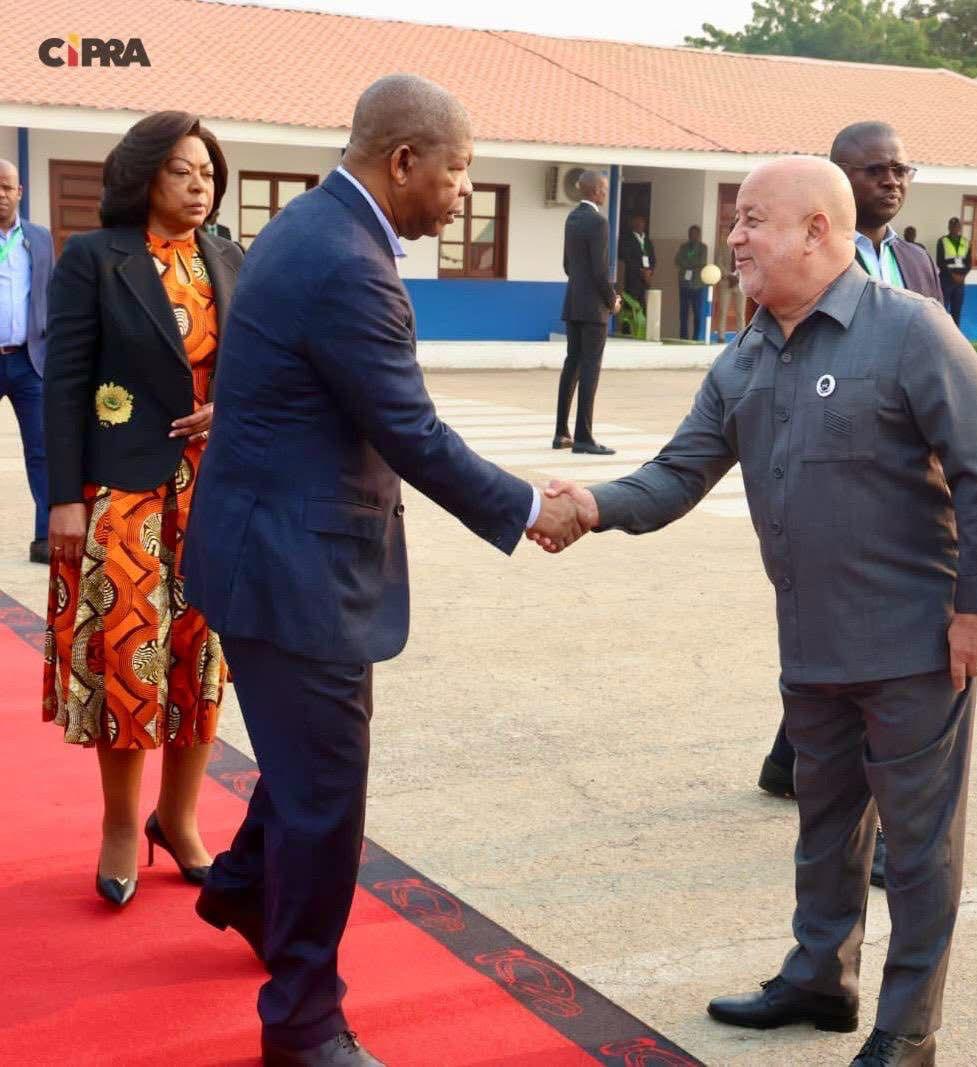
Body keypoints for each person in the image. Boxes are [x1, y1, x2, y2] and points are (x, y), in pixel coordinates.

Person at [540, 157, 977, 1067]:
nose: (735, 237)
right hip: (812, 643)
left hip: (916, 644)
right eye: (736, 220)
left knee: (915, 848)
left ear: (817, 232)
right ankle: (819, 978)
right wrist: (590, 505)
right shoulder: (747, 354)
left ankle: (908, 1028)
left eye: (754, 219)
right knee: (824, 827)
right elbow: (678, 472)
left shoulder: (911, 333)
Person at [182, 74, 581, 1067]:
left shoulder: (312, 227)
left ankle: (239, 883)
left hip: (273, 551)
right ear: (403, 160)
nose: (461, 193)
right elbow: (408, 427)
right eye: (457, 171)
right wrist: (527, 505)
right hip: (293, 570)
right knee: (327, 794)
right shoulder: (346, 260)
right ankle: (304, 1022)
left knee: (305, 762)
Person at [42, 112, 243, 908]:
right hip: (122, 492)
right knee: (129, 657)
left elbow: (257, 366)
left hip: (213, 491)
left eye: (208, 174)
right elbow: (63, 382)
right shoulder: (95, 258)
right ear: (143, 179)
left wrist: (226, 406)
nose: (200, 188)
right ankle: (122, 825)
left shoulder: (228, 256)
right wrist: (61, 498)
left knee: (199, 657)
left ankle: (180, 818)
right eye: (182, 173)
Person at [759, 120, 943, 890]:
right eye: (875, 171)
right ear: (835, 183)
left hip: (904, 484)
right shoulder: (795, 265)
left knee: (876, 655)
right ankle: (804, 770)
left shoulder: (914, 263)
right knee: (838, 649)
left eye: (901, 170)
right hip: (830, 481)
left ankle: (795, 767)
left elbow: (942, 362)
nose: (892, 183)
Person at [0, 159, 54, 564]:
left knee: (42, 451)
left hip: (29, 362)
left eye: (7, 187)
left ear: (20, 192)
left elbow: (49, 296)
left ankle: (43, 538)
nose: (1, 194)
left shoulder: (39, 238)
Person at [554, 170, 620, 456]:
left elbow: (568, 265)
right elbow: (599, 270)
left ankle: (561, 433)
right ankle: (583, 438)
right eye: (604, 188)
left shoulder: (572, 219)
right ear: (595, 191)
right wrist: (612, 300)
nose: (606, 193)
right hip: (594, 310)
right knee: (590, 369)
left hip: (573, 304)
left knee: (572, 366)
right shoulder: (599, 222)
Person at [936, 217, 971, 327]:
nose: (954, 228)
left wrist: (963, 276)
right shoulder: (942, 241)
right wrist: (953, 275)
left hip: (960, 281)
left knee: (957, 311)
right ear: (948, 227)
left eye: (956, 226)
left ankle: (955, 339)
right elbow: (940, 261)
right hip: (946, 280)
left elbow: (969, 262)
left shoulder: (966, 242)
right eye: (952, 226)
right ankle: (943, 336)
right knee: (942, 310)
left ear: (960, 228)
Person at [675, 224, 708, 340]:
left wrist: (687, 264)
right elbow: (677, 260)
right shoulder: (683, 247)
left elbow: (701, 262)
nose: (692, 236)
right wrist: (691, 264)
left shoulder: (703, 247)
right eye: (690, 234)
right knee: (683, 313)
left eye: (695, 234)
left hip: (697, 285)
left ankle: (695, 337)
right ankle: (683, 337)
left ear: (698, 235)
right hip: (684, 284)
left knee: (697, 314)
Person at [620, 214, 655, 309]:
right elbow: (628, 258)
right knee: (631, 307)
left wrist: (650, 271)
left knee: (643, 307)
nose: (640, 225)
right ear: (633, 224)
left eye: (642, 223)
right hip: (633, 279)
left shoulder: (647, 241)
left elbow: (652, 258)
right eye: (637, 223)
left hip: (645, 280)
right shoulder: (628, 239)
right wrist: (641, 271)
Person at [715, 247, 746, 340]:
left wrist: (737, 276)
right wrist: (729, 275)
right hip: (725, 283)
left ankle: (740, 337)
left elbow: (747, 264)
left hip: (740, 283)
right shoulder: (722, 249)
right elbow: (719, 264)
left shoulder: (745, 248)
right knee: (722, 311)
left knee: (740, 312)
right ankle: (721, 336)